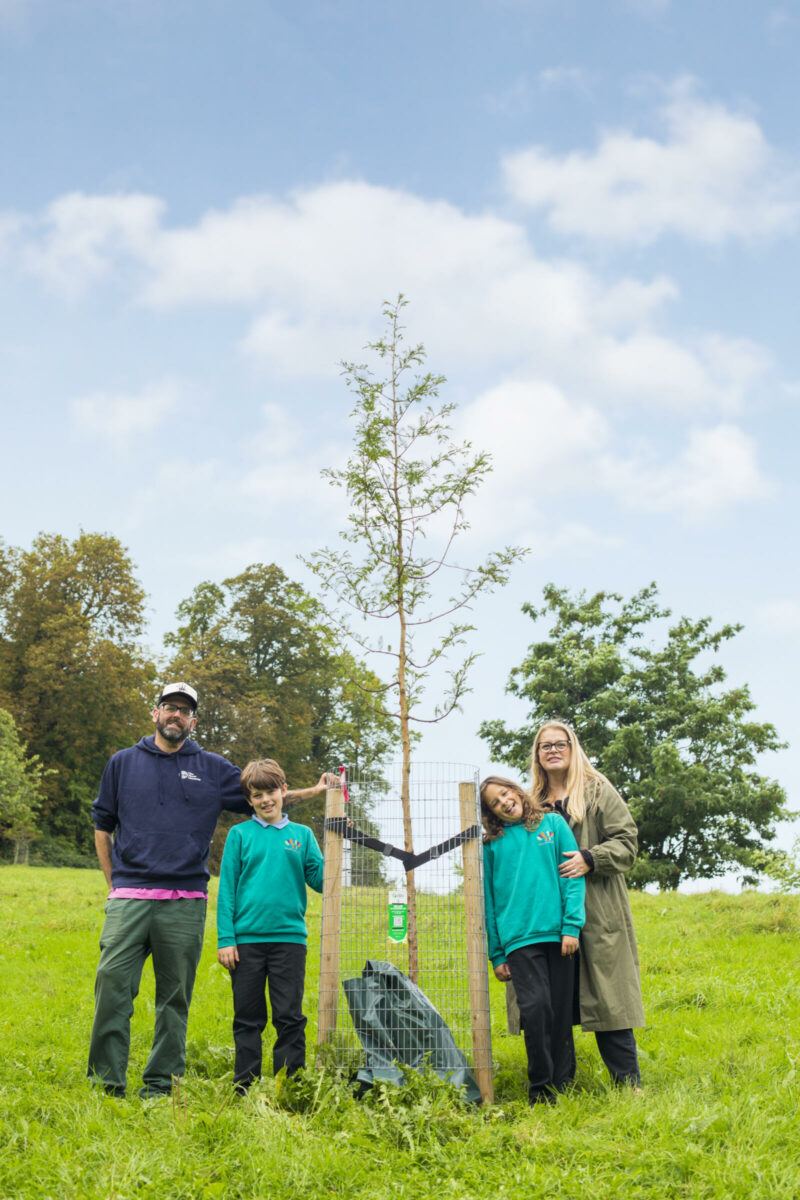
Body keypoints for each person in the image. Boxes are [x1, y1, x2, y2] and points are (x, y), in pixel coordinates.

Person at [87, 682, 330, 1099]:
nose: (176, 715)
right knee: (112, 988)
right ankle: (106, 1083)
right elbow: (102, 823)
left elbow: (264, 795)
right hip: (129, 898)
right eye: (169, 707)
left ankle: (161, 1085)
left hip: (185, 902)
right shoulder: (122, 763)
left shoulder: (211, 767)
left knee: (174, 1000)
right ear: (156, 713)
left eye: (184, 710)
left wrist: (318, 790)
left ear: (193, 721)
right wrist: (113, 883)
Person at [532, 720, 645, 1089]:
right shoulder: (531, 803)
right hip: (549, 915)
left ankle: (628, 1086)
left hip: (598, 912)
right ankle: (557, 1086)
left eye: (559, 744)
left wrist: (590, 858)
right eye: (544, 745)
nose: (552, 750)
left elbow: (627, 842)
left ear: (572, 747)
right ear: (537, 754)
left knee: (609, 999)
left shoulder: (597, 791)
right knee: (552, 1000)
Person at [217, 758, 324, 1092]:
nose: (266, 800)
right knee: (248, 1017)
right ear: (249, 800)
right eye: (257, 794)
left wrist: (337, 845)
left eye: (271, 792)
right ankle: (244, 1085)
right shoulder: (239, 835)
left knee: (289, 1015)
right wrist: (226, 939)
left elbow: (321, 881)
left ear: (284, 791)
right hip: (245, 942)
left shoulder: (302, 836)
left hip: (289, 941)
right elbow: (227, 892)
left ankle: (289, 1085)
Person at [480, 775, 585, 1105]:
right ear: (491, 814)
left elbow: (572, 877)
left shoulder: (552, 824)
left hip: (558, 936)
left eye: (505, 793)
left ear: (516, 790)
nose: (504, 802)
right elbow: (489, 901)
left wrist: (571, 926)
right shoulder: (491, 846)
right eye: (495, 803)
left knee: (559, 1013)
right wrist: (496, 954)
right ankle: (541, 1089)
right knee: (536, 1010)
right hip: (518, 941)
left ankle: (563, 1086)